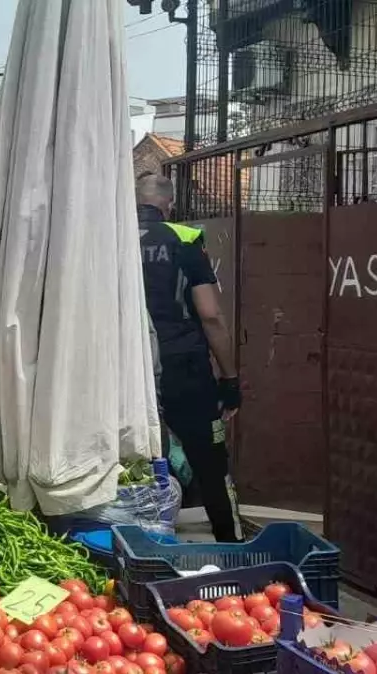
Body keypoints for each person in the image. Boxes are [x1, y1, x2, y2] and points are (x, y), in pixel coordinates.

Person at [135, 173, 243, 543]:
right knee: (210, 463)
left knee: (135, 466)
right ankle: (232, 546)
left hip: (129, 372)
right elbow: (211, 315)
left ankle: (140, 551)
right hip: (185, 369)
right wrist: (230, 380)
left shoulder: (109, 241)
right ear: (170, 206)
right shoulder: (184, 240)